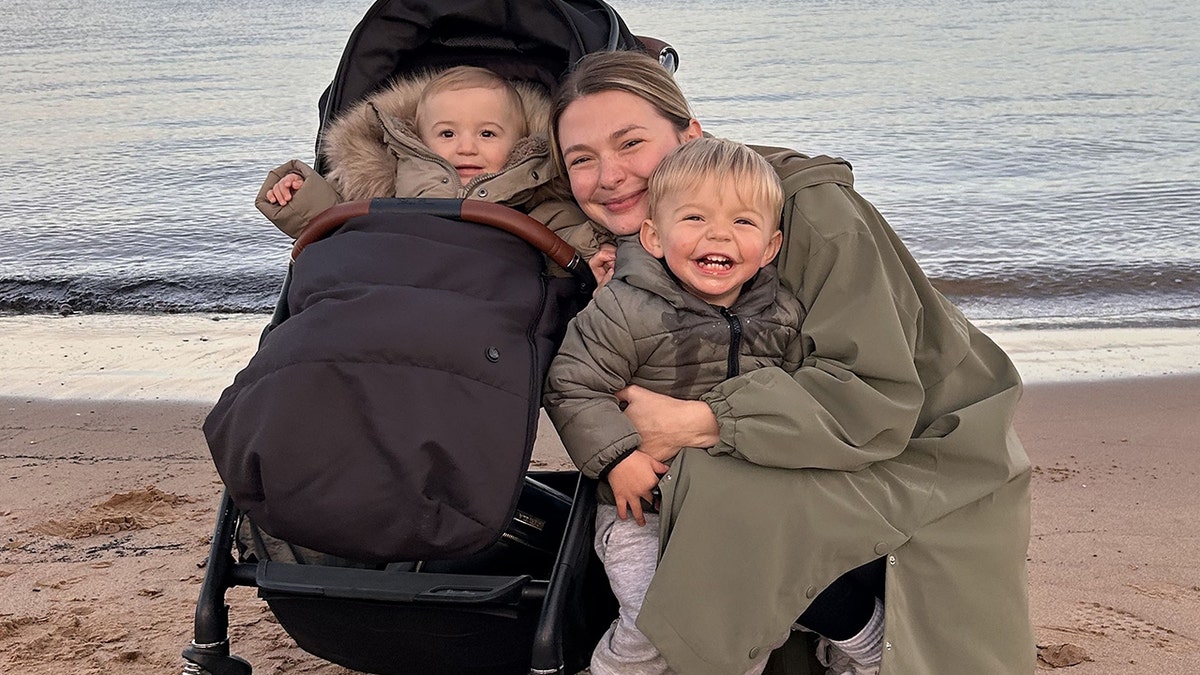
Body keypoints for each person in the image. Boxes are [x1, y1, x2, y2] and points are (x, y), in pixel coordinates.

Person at [549, 50, 1034, 675]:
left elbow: (876, 393)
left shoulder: (809, 214)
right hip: (801, 426)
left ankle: (853, 637)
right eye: (581, 159)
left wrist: (698, 421)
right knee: (685, 508)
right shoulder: (646, 237)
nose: (609, 175)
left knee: (724, 506)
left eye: (631, 143)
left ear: (690, 135)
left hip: (924, 436)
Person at [544, 137, 806, 675]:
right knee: (653, 622)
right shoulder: (627, 307)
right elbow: (571, 385)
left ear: (772, 246)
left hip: (735, 506)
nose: (718, 235)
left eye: (743, 223)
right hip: (641, 508)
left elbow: (805, 395)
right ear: (654, 236)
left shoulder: (782, 316)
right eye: (695, 218)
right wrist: (619, 459)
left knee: (738, 623)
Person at [254, 65, 613, 276]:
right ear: (419, 138)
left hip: (484, 308)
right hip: (384, 289)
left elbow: (570, 240)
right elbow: (335, 226)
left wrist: (595, 255)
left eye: (487, 133)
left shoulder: (536, 199)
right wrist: (299, 195)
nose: (466, 146)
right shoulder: (387, 185)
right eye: (447, 134)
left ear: (520, 141)